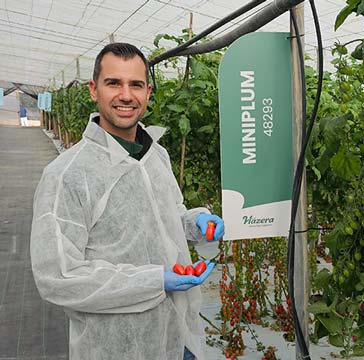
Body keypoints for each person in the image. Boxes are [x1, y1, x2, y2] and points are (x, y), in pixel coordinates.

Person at [30, 42, 225, 360]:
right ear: (94, 90)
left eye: (135, 84)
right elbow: (58, 277)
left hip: (179, 337)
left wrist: (193, 221)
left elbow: (166, 213)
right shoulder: (67, 175)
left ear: (148, 91)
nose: (126, 95)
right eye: (113, 83)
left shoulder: (155, 154)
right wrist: (154, 280)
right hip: (118, 346)